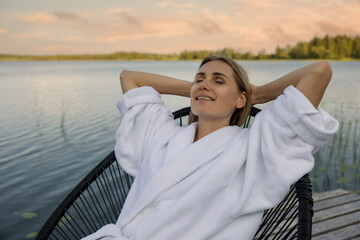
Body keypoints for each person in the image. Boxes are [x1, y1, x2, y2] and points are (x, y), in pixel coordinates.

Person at [83, 56, 339, 240]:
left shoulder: (255, 150)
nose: (204, 84)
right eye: (200, 78)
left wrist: (256, 95)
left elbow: (319, 71)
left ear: (241, 99)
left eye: (219, 80)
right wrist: (202, 90)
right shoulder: (164, 135)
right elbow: (129, 77)